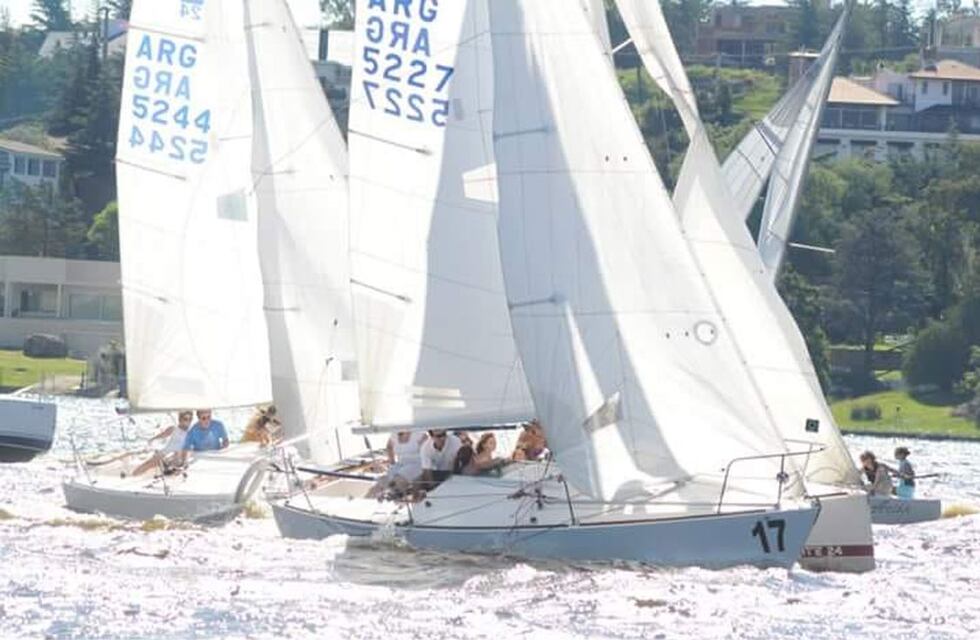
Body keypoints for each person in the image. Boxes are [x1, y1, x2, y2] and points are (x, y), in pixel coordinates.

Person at [130, 410, 193, 476]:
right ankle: (132, 476)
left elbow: (188, 449)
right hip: (165, 453)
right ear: (180, 419)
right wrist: (152, 440)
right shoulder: (173, 428)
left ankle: (172, 469)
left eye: (190, 419)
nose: (188, 422)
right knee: (148, 464)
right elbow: (162, 435)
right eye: (185, 419)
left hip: (176, 457)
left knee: (178, 454)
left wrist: (185, 462)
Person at [369, 430, 428, 498]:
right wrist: (392, 463)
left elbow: (428, 452)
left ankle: (394, 497)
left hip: (416, 464)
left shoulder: (420, 434)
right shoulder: (394, 434)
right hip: (400, 464)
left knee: (397, 480)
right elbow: (389, 447)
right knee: (381, 482)